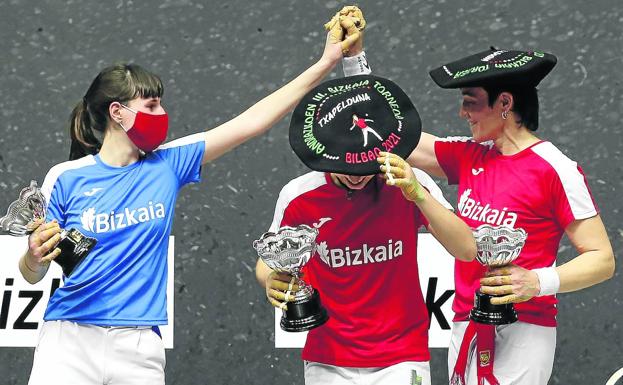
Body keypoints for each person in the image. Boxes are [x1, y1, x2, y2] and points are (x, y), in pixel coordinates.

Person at [17, 15, 362, 385]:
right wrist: (33, 257)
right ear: (117, 112)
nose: (162, 115)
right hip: (69, 341)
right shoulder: (66, 177)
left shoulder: (169, 162)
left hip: (139, 348)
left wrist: (326, 63)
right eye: (151, 106)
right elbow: (31, 273)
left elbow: (253, 121)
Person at [339, 19, 615, 385]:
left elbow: (603, 259)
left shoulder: (556, 169)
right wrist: (355, 59)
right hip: (465, 321)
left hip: (526, 328)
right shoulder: (471, 155)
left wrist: (537, 281)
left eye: (470, 103)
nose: (462, 113)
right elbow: (390, 134)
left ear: (505, 103)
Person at [255, 42, 478, 383]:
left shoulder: (406, 180)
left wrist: (418, 194)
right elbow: (268, 261)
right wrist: (271, 279)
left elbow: (466, 248)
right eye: (347, 168)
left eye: (365, 168)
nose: (358, 177)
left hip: (402, 358)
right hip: (327, 361)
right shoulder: (299, 195)